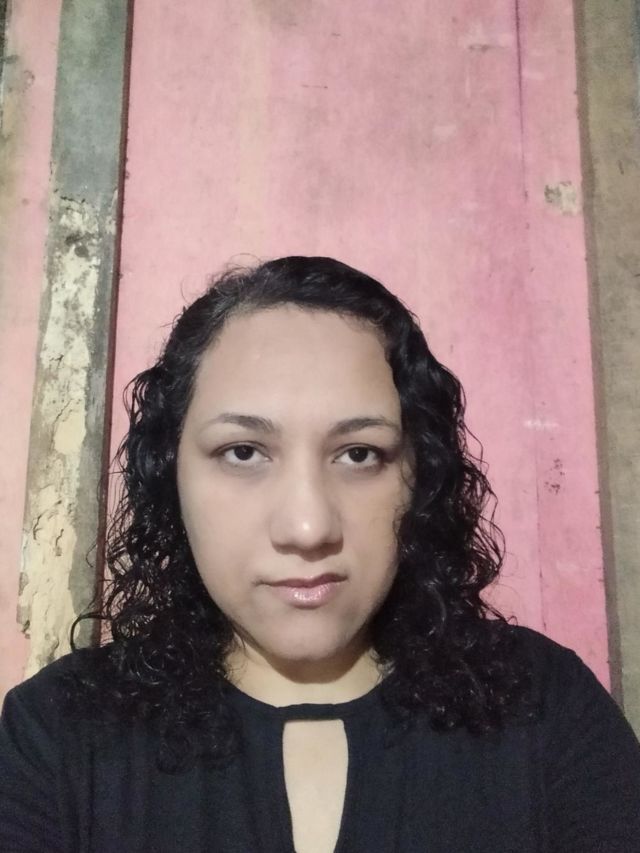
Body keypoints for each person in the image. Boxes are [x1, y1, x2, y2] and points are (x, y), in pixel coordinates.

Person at [1, 256, 639, 853]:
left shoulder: (544, 706)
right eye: (243, 452)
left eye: (359, 454)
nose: (307, 528)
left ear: (421, 475)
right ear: (171, 474)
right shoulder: (57, 735)